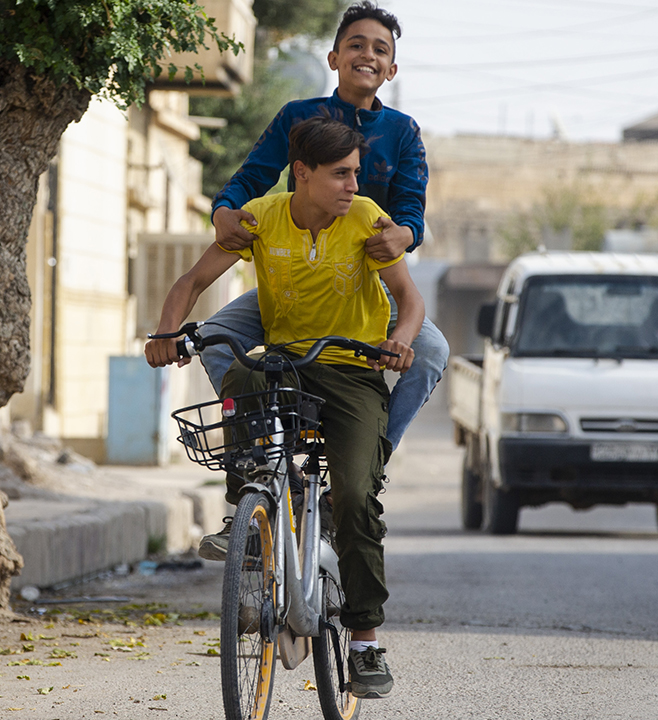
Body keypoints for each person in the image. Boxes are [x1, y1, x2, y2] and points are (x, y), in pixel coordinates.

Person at [146, 116, 423, 699]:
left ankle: (365, 642)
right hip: (287, 364)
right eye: (340, 174)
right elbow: (191, 282)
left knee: (355, 497)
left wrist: (399, 341)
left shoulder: (367, 218)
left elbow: (409, 299)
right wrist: (166, 332)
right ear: (302, 173)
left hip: (352, 372)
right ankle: (248, 512)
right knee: (242, 370)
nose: (353, 185)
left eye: (355, 173)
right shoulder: (261, 219)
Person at [201, 0, 448, 453]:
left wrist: (405, 234)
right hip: (293, 280)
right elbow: (252, 177)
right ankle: (266, 452)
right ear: (333, 58)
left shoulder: (403, 131)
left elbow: (411, 206)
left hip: (368, 286)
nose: (367, 55)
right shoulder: (297, 116)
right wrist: (223, 212)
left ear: (391, 69)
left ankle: (372, 455)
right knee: (212, 342)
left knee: (432, 352)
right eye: (356, 45)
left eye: (380, 49)